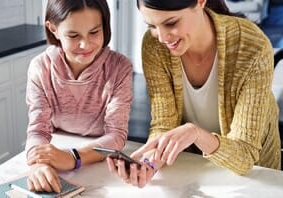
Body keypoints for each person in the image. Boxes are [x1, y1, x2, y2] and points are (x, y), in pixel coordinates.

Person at [107, 0, 281, 188]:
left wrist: (196, 133)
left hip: (256, 177)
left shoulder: (251, 45)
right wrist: (149, 163)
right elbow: (164, 124)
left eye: (171, 23)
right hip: (196, 169)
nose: (162, 37)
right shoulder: (154, 46)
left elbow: (245, 156)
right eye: (152, 26)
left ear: (200, 2)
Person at [25, 0, 132, 193]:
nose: (85, 44)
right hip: (54, 156)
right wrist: (38, 164)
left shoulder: (119, 67)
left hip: (98, 161)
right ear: (53, 29)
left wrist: (74, 157)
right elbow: (38, 131)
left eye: (94, 32)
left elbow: (116, 136)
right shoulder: (40, 68)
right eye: (73, 35)